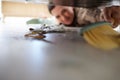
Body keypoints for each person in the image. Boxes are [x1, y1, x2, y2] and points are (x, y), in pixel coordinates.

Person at [48, 4, 120, 28]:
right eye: (58, 16)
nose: (63, 18)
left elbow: (97, 16)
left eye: (64, 11)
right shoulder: (61, 25)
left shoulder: (83, 13)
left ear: (71, 6)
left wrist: (110, 16)